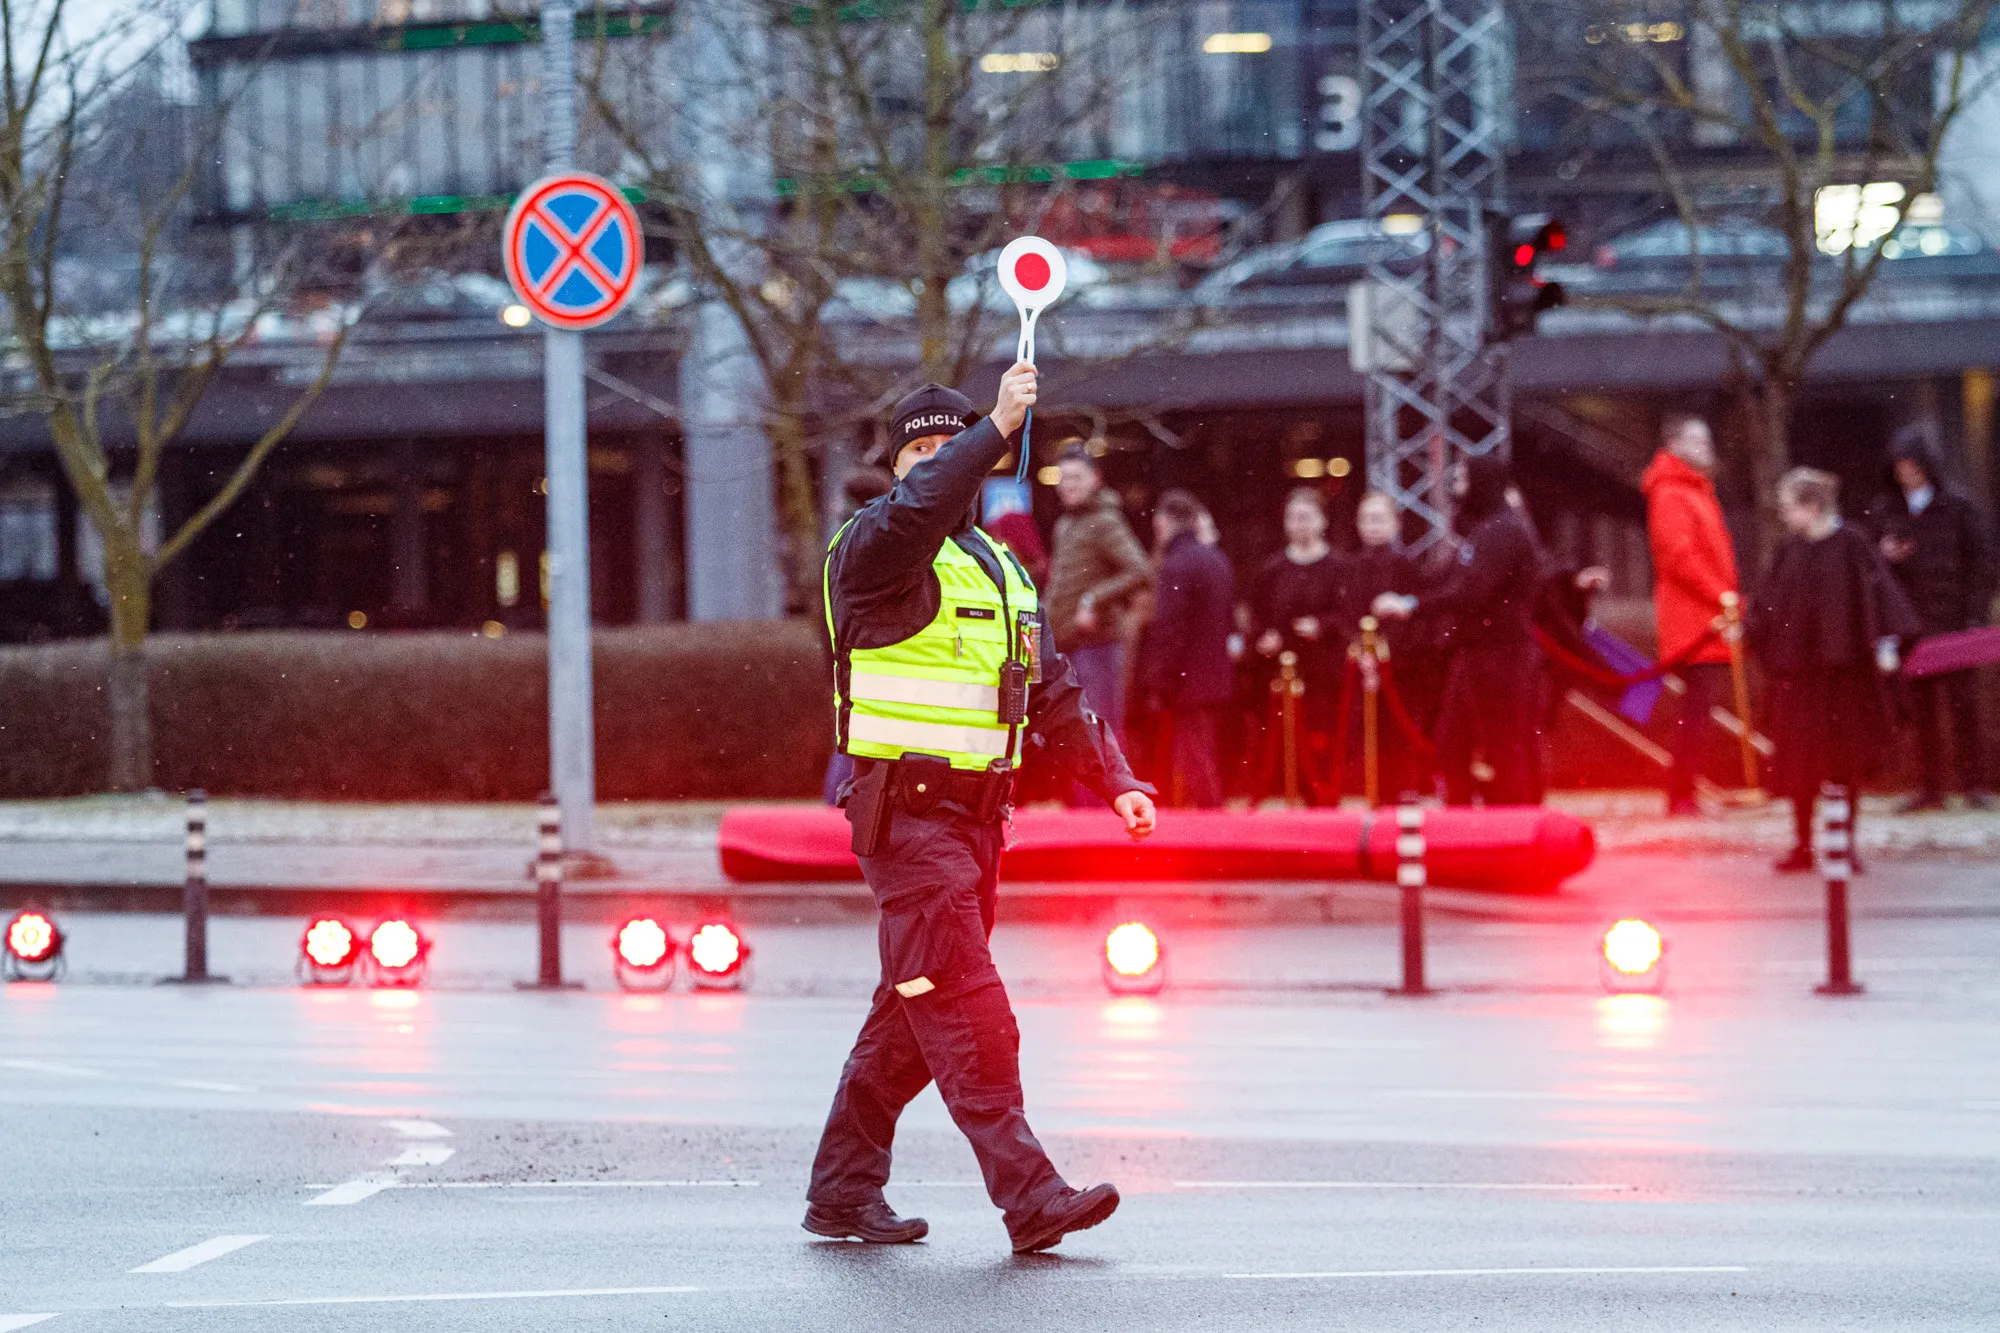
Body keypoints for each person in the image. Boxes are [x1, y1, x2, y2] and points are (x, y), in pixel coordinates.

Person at [809, 369, 1158, 1254]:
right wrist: (992, 428)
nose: (935, 466)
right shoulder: (874, 549)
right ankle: (1032, 1196)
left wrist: (1114, 778)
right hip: (906, 821)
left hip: (974, 822)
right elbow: (923, 505)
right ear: (899, 469)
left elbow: (1051, 689)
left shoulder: (999, 567)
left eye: (945, 446)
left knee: (910, 1016)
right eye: (918, 452)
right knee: (968, 1010)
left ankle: (843, 1193)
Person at [1751, 467, 1919, 872]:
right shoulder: (1789, 549)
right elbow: (1769, 603)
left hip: (1845, 679)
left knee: (1843, 764)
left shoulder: (1853, 545)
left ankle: (1843, 843)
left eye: (1789, 507)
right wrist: (1751, 627)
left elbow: (1879, 598)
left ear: (1813, 506)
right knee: (1800, 767)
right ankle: (1803, 844)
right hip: (1801, 678)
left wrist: (1885, 645)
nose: (1784, 515)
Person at [1373, 455, 1545, 805]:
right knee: (1453, 739)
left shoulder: (1502, 531)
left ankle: (1513, 824)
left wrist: (1412, 606)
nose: (1457, 490)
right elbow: (1454, 581)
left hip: (1501, 653)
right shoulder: (1486, 531)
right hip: (1477, 651)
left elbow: (1471, 591)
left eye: (1464, 481)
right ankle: (1465, 818)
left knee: (1503, 743)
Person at [1864, 422, 1997, 811]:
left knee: (1964, 706)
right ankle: (1931, 788)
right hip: (1911, 626)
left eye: (1912, 465)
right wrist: (1884, 554)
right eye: (1900, 466)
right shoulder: (1887, 509)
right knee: (1922, 712)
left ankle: (1973, 785)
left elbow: (1983, 562)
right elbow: (1870, 564)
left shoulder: (1959, 507)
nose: (1906, 473)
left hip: (1953, 623)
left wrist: (1974, 615)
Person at [1641, 415, 1741, 816]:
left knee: (1697, 710)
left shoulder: (1692, 490)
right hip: (1695, 617)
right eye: (1697, 440)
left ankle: (1685, 792)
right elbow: (1678, 557)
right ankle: (1682, 794)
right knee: (1696, 711)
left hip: (1702, 614)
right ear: (1674, 443)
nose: (1705, 447)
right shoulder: (1673, 492)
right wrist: (1722, 595)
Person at [1045, 447, 1151, 745]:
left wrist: (1094, 598)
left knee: (1100, 735)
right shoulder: (1065, 524)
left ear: (1095, 479)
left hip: (1097, 648)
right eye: (1064, 478)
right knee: (1077, 737)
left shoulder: (1106, 521)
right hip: (1068, 648)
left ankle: (1112, 794)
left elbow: (1140, 570)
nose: (1069, 485)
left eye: (1076, 477)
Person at [1142, 489, 1237, 808]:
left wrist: (1159, 680)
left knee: (1194, 759)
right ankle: (1212, 817)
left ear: (1162, 523)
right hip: (1216, 674)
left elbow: (1171, 629)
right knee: (1205, 753)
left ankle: (1213, 826)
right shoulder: (1217, 559)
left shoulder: (1176, 565)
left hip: (1187, 680)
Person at [1250, 488, 1343, 802]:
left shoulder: (1338, 567)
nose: (1299, 524)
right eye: (1293, 518)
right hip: (1280, 672)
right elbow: (1257, 615)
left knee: (1319, 743)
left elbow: (1348, 614)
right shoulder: (1271, 569)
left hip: (1321, 672)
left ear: (1322, 521)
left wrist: (1322, 626)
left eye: (1306, 517)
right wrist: (1263, 638)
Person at [823, 468, 897, 804]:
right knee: (859, 747)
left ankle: (836, 815)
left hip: (847, 660)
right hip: (871, 661)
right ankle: (840, 816)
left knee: (849, 741)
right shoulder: (877, 544)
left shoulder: (840, 543)